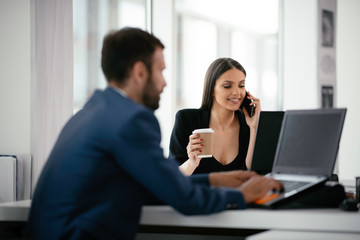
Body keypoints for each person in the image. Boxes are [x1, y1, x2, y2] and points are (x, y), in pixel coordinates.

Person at [28, 27, 282, 240]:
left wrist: (215, 180)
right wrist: (241, 194)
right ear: (140, 72)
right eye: (160, 70)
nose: (165, 82)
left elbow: (154, 183)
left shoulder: (91, 112)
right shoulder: (131, 120)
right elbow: (183, 198)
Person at [170, 58, 261, 176]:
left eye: (241, 85)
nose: (237, 92)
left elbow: (252, 174)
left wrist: (254, 128)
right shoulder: (187, 119)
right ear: (211, 89)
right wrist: (191, 163)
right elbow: (172, 179)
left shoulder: (248, 125)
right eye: (227, 86)